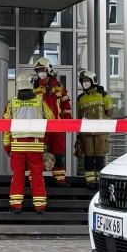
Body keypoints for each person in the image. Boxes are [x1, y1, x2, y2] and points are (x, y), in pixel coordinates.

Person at [3, 84, 54, 212]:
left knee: (18, 174)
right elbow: (51, 118)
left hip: (17, 145)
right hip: (35, 145)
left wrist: (7, 146)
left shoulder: (12, 103)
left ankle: (16, 205)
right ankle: (40, 206)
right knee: (37, 174)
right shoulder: (40, 101)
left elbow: (6, 126)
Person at [32, 57, 71, 185]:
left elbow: (65, 105)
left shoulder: (58, 87)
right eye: (38, 70)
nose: (40, 73)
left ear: (48, 70)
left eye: (42, 70)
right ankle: (37, 179)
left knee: (58, 151)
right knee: (38, 152)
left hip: (57, 126)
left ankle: (59, 179)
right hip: (40, 127)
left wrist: (68, 121)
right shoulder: (35, 87)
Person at [74, 70, 114, 189]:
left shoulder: (104, 95)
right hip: (87, 134)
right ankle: (90, 181)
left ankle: (101, 181)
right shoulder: (80, 98)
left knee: (100, 158)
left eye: (86, 81)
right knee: (89, 158)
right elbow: (79, 116)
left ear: (93, 81)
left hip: (101, 133)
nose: (85, 83)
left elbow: (110, 112)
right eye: (83, 81)